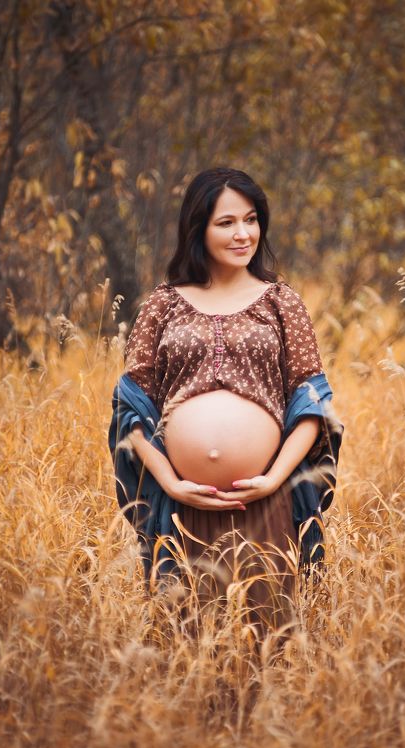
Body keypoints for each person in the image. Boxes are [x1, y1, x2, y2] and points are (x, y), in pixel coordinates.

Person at [109, 167, 343, 633]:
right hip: (182, 510)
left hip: (264, 505)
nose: (243, 234)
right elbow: (130, 408)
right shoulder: (163, 303)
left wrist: (273, 480)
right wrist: (171, 483)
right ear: (198, 228)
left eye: (251, 220)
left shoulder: (281, 301)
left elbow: (311, 404)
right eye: (227, 222)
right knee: (187, 647)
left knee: (267, 644)